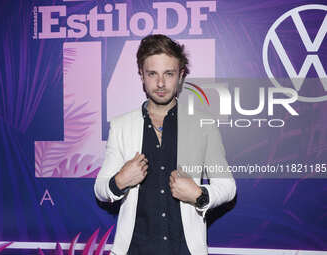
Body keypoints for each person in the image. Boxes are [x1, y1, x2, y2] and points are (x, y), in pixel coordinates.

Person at [94, 34, 236, 255]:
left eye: (168, 74)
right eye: (152, 74)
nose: (160, 84)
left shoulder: (204, 124)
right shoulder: (121, 126)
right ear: (141, 75)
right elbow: (100, 189)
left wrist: (199, 195)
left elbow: (228, 187)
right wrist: (120, 180)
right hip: (134, 249)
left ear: (180, 76)